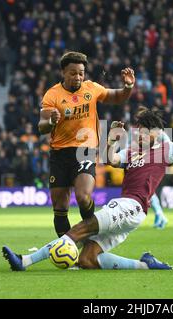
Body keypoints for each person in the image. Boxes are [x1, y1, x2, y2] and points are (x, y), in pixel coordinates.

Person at [3, 108, 173, 271]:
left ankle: (25, 262)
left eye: (142, 131)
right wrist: (111, 139)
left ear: (155, 132)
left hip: (131, 206)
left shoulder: (168, 149)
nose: (138, 134)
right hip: (130, 212)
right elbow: (110, 159)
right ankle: (145, 264)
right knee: (87, 260)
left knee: (78, 231)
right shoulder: (132, 152)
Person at [38, 51, 135, 238]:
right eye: (73, 73)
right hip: (59, 153)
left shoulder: (91, 88)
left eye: (81, 73)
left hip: (85, 150)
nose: (78, 77)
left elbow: (118, 97)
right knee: (59, 206)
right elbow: (41, 126)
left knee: (83, 197)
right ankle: (68, 250)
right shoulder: (52, 95)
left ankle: (92, 240)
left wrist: (128, 86)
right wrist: (50, 122)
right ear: (63, 73)